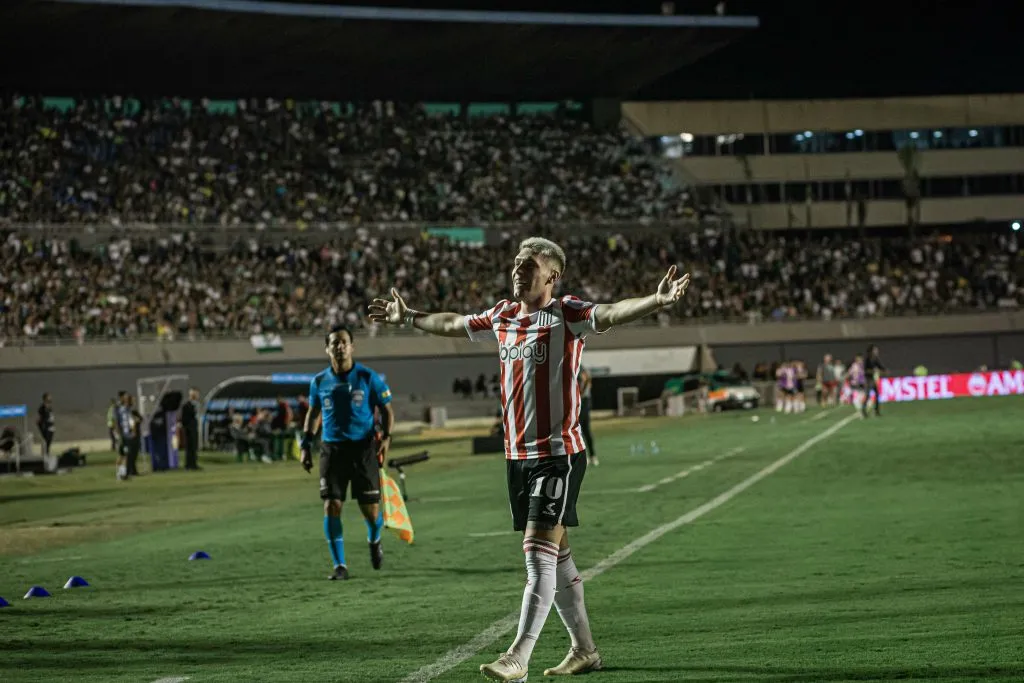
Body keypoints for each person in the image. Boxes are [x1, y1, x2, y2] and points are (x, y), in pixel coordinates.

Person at [368, 236, 689, 681]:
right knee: (557, 557)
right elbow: (454, 322)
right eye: (517, 261)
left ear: (552, 276)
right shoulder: (501, 316)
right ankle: (585, 651)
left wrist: (656, 299)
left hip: (557, 455)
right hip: (516, 457)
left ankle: (518, 655)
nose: (518, 268)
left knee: (536, 552)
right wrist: (411, 318)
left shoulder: (566, 313)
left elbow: (612, 312)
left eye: (529, 264)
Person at [300, 324, 395, 581]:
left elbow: (387, 410)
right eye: (334, 343)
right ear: (327, 348)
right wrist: (306, 445)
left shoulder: (367, 377)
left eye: (344, 342)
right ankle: (339, 566)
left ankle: (374, 540)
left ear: (352, 346)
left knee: (371, 511)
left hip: (363, 449)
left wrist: (385, 439)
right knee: (332, 505)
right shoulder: (319, 381)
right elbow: (314, 413)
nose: (339, 346)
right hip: (332, 450)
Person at [577, 366, 598, 466]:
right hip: (582, 402)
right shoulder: (580, 366)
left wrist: (580, 392)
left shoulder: (580, 367)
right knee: (583, 431)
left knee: (583, 430)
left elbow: (587, 379)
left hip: (583, 402)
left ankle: (591, 456)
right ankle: (589, 456)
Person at [180, 388, 201, 470]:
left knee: (194, 447)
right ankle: (189, 464)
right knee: (189, 447)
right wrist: (187, 427)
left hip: (195, 428)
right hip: (189, 429)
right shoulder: (186, 405)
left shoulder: (197, 404)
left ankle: (194, 464)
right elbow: (184, 418)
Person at [863, 344, 887, 418]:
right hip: (868, 379)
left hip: (873, 379)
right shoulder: (867, 359)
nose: (876, 351)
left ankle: (877, 411)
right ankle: (863, 410)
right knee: (867, 395)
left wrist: (884, 370)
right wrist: (873, 371)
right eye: (875, 350)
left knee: (877, 395)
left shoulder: (875, 359)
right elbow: (865, 370)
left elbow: (881, 367)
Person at [37, 393, 55, 457]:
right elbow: (39, 419)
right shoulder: (42, 408)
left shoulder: (49, 407)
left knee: (49, 443)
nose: (50, 400)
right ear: (45, 399)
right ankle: (45, 455)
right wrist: (42, 427)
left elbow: (51, 416)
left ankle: (47, 454)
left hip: (51, 427)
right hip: (46, 428)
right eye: (48, 399)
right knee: (46, 442)